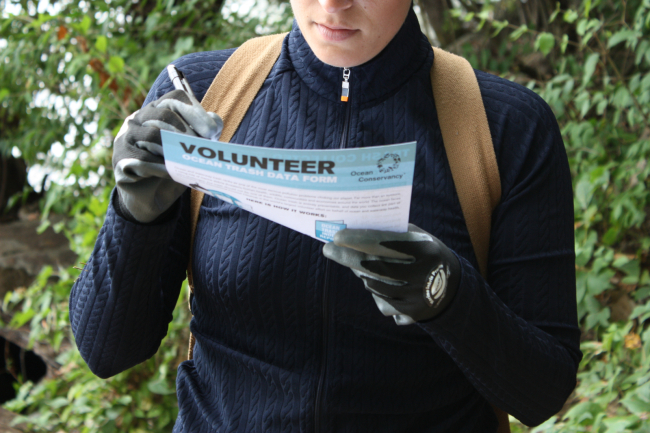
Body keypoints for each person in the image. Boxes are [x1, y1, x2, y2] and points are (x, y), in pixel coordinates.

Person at [69, 0, 582, 431]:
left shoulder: (504, 128)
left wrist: (449, 297)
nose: (334, 5)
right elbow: (107, 351)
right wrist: (134, 218)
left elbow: (541, 393)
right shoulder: (202, 93)